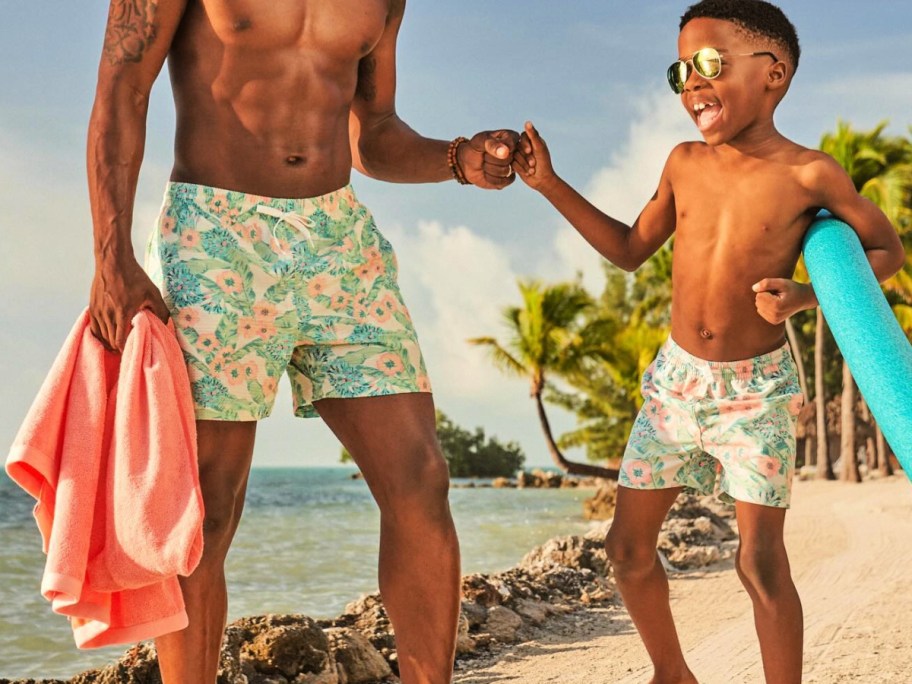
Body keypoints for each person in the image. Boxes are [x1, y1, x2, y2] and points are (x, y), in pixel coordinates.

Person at [86, 1, 519, 682]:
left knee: (421, 478)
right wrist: (110, 256)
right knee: (208, 504)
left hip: (336, 239)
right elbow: (122, 87)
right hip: (215, 234)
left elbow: (371, 134)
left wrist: (457, 159)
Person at [512, 1, 905, 682]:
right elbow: (632, 249)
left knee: (759, 561)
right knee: (626, 550)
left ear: (773, 73)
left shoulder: (809, 175)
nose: (693, 84)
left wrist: (807, 295)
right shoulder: (683, 162)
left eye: (711, 65)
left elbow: (887, 250)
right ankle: (674, 673)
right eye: (681, 71)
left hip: (757, 391)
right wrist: (549, 185)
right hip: (675, 385)